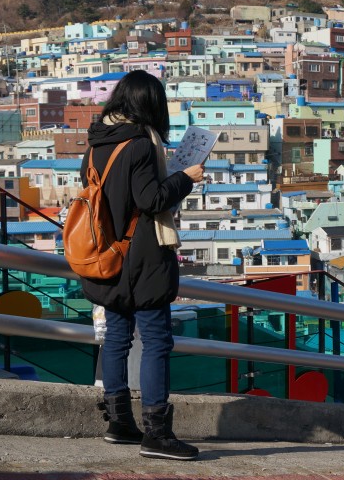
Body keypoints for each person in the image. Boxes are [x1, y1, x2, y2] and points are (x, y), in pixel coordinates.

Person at [80, 70, 204, 461]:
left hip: (106, 255)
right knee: (156, 342)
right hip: (143, 260)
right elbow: (151, 200)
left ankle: (120, 423)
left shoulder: (96, 144)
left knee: (116, 339)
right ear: (150, 105)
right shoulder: (140, 146)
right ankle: (158, 434)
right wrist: (185, 177)